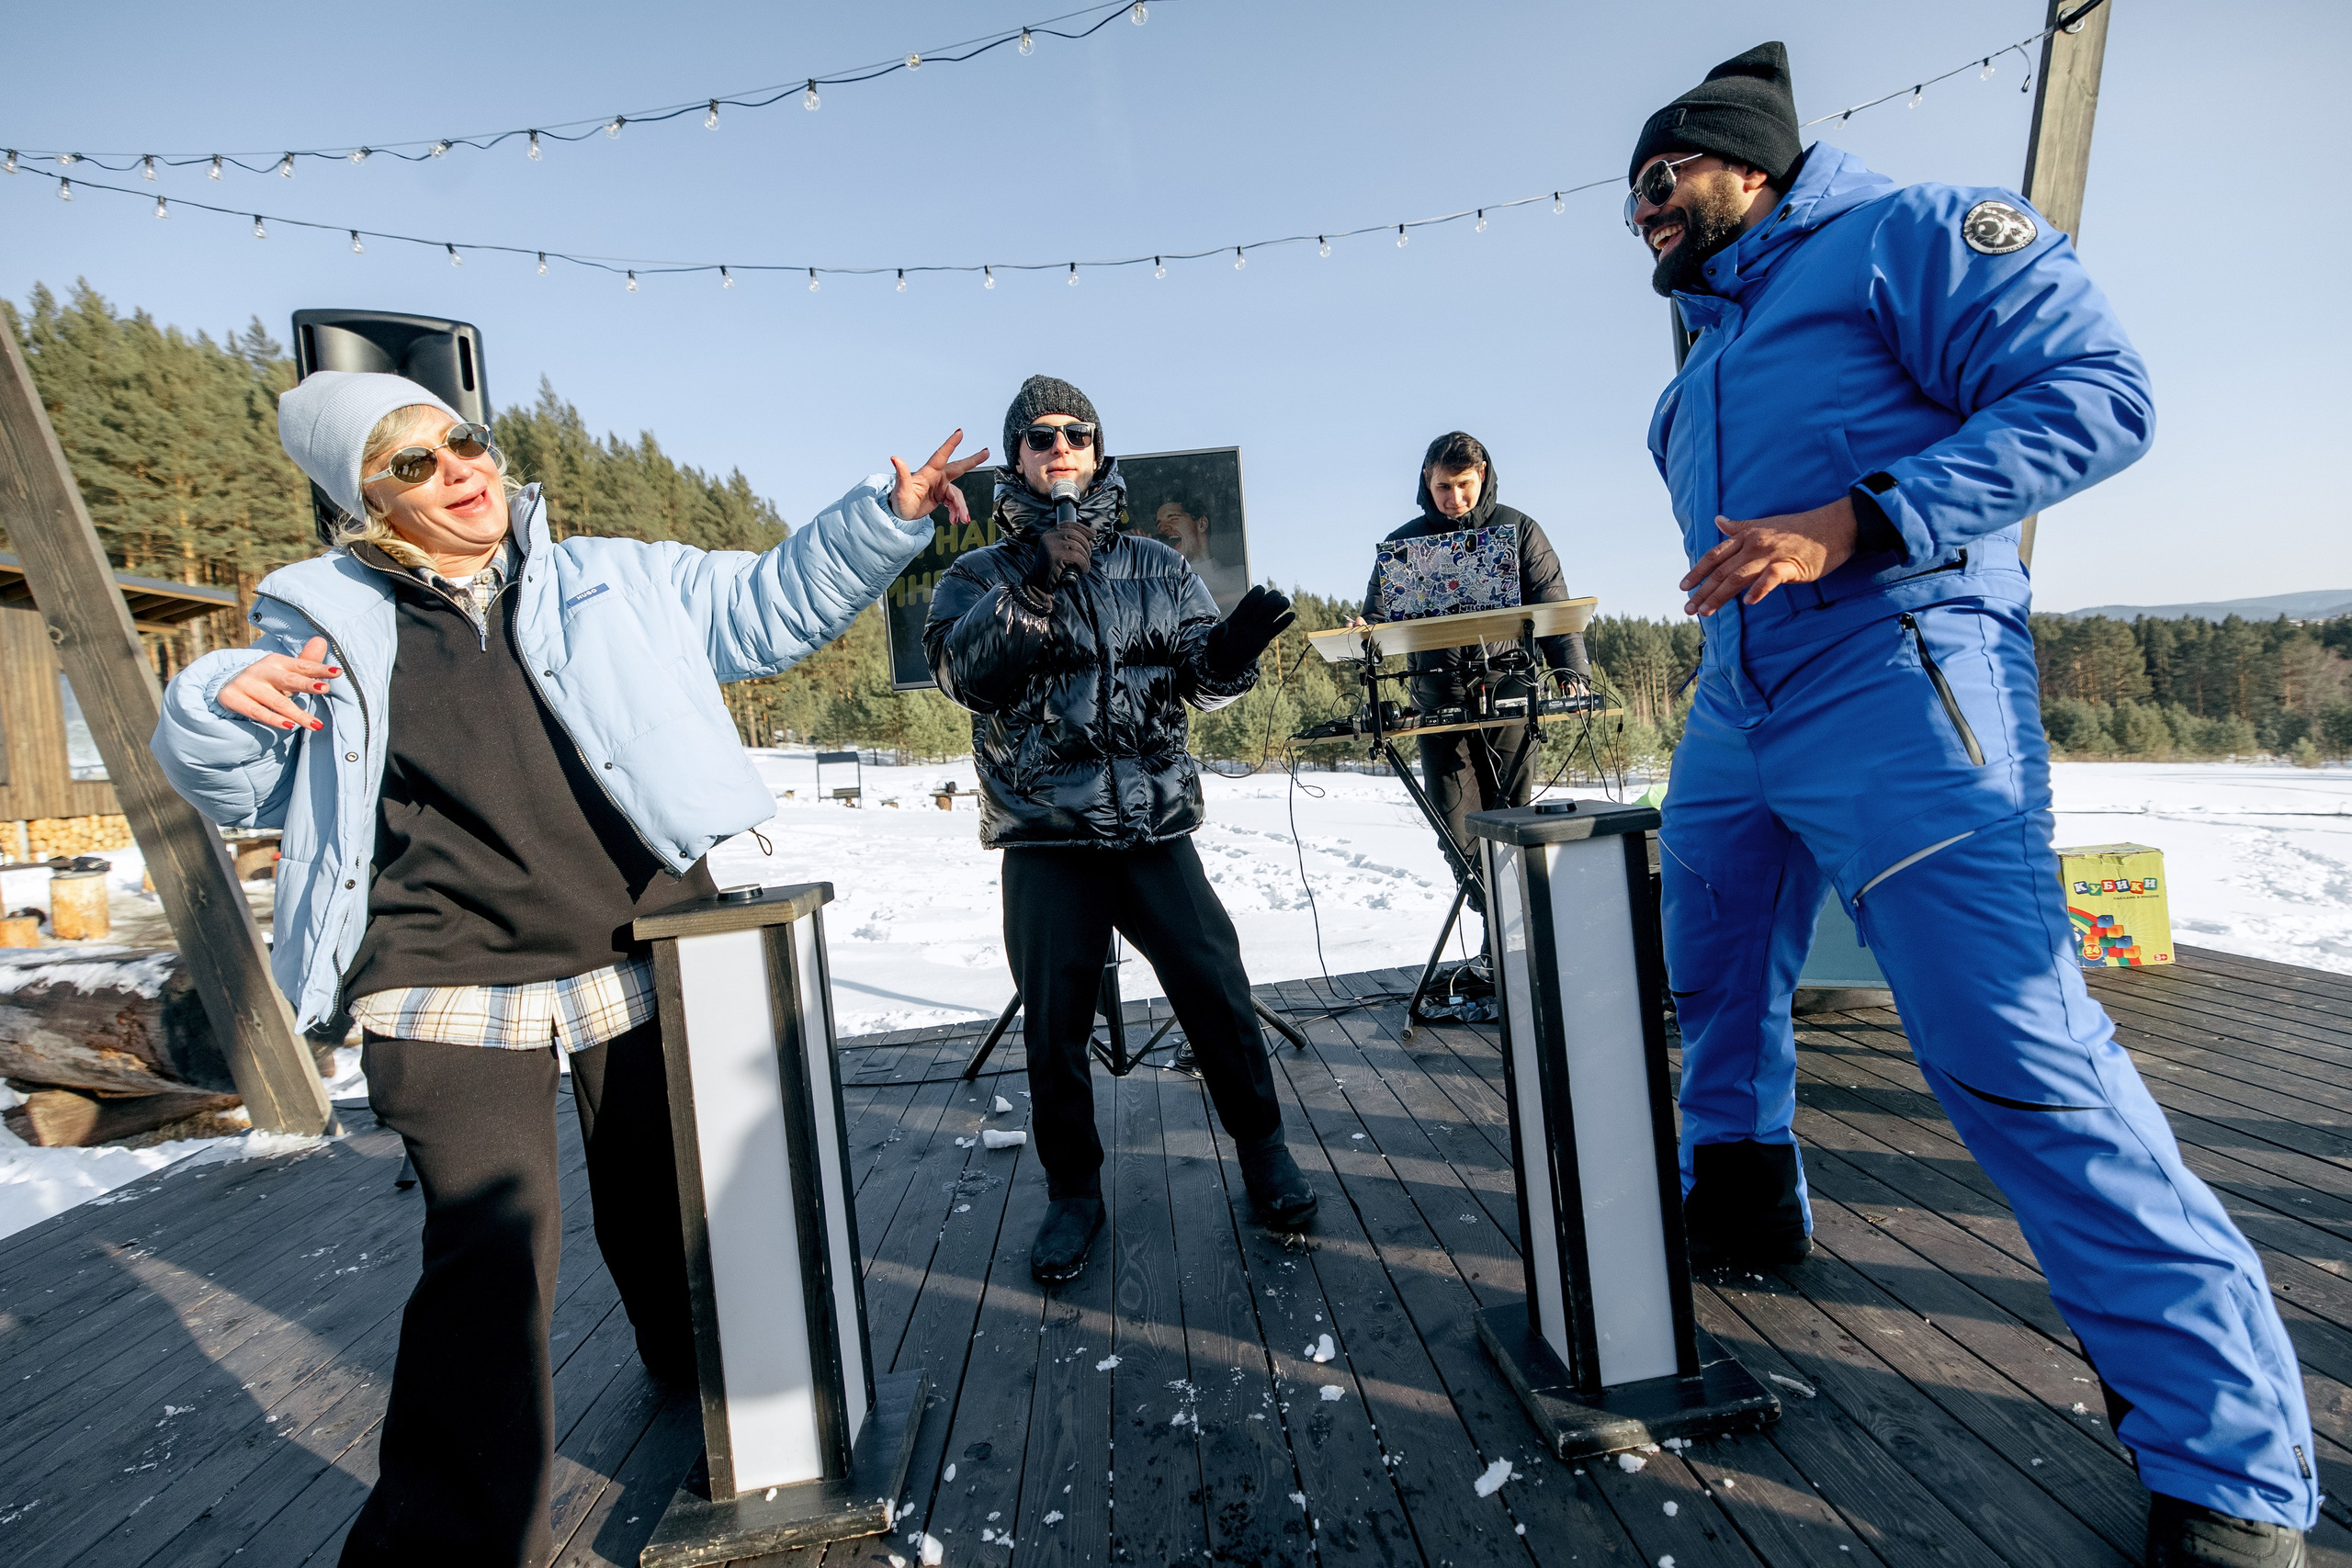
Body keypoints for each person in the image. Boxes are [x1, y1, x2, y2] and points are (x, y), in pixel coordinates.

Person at [1628, 42, 2312, 1566]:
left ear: (1749, 160)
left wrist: (1861, 519)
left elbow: (2101, 395)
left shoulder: (1916, 235)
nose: (1644, 219)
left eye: (1662, 182)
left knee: (2013, 1047)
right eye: (1631, 204)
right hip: (1741, 706)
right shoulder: (1698, 364)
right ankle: (1742, 1198)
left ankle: (2235, 1465)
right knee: (1713, 969)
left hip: (1903, 678)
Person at [151, 369, 985, 1568]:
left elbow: (763, 608)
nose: (461, 470)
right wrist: (214, 704)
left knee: (663, 1202)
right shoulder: (323, 623)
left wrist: (883, 514)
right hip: (443, 973)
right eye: (416, 465)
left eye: (465, 441)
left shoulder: (610, 574)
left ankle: (683, 1368)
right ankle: (440, 1545)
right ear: (368, 505)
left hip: (640, 945)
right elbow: (242, 780)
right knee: (490, 1261)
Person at [923, 374, 1316, 1283]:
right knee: (1054, 1025)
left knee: (1214, 984)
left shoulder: (1157, 563)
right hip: (1043, 834)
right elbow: (964, 677)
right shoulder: (975, 573)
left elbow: (1198, 682)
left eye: (1077, 434)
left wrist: (1229, 654)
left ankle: (1262, 1151)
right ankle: (1073, 1194)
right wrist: (1032, 579)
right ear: (1017, 458)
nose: (1059, 446)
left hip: (1151, 825)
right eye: (1039, 436)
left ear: (1098, 454)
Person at [1362, 433, 1589, 916]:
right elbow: (1378, 616)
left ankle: (1509, 950)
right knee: (1457, 835)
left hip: (1510, 697)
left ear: (1482, 476)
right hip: (1438, 705)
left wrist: (1571, 672)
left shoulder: (1521, 530)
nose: (1455, 498)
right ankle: (1501, 933)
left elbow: (1555, 609)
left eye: (1464, 484)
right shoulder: (1404, 543)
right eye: (1444, 486)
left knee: (1511, 828)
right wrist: (1366, 629)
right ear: (1428, 480)